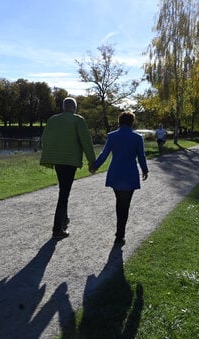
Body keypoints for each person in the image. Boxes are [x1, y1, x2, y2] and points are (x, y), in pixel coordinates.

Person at [40, 97, 97, 239]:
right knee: (64, 194)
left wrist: (50, 154)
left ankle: (64, 220)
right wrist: (92, 162)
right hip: (70, 161)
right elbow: (86, 142)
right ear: (74, 107)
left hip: (57, 161)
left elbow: (45, 139)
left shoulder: (53, 120)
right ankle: (57, 229)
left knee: (63, 190)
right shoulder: (78, 120)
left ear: (64, 107)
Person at [92, 111, 149, 247]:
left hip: (116, 173)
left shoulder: (112, 136)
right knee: (125, 205)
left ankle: (119, 234)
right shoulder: (137, 138)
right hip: (130, 174)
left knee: (119, 202)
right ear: (132, 122)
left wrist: (95, 166)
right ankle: (120, 235)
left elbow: (104, 154)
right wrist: (145, 170)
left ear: (119, 121)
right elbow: (141, 156)